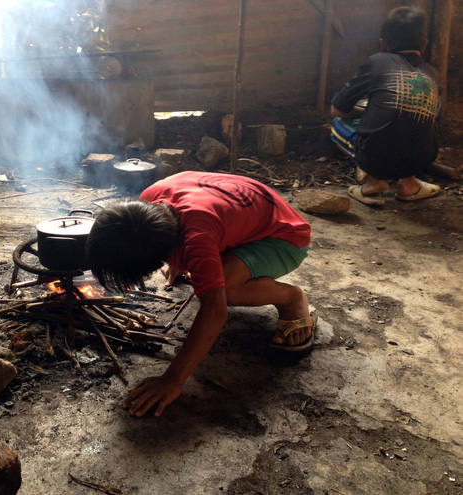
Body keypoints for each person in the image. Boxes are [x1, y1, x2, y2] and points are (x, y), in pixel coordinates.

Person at [85, 171, 315, 418]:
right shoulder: (148, 200)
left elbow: (215, 310)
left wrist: (173, 380)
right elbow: (195, 225)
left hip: (286, 237)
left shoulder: (197, 238)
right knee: (207, 266)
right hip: (251, 213)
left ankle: (292, 299)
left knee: (225, 289)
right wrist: (182, 260)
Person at [330, 6, 441, 206]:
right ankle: (409, 185)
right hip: (423, 158)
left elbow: (337, 108)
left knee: (338, 124)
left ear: (382, 44)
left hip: (375, 158)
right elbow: (434, 119)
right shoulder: (433, 74)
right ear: (423, 45)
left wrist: (365, 111)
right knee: (418, 123)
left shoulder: (377, 62)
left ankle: (375, 182)